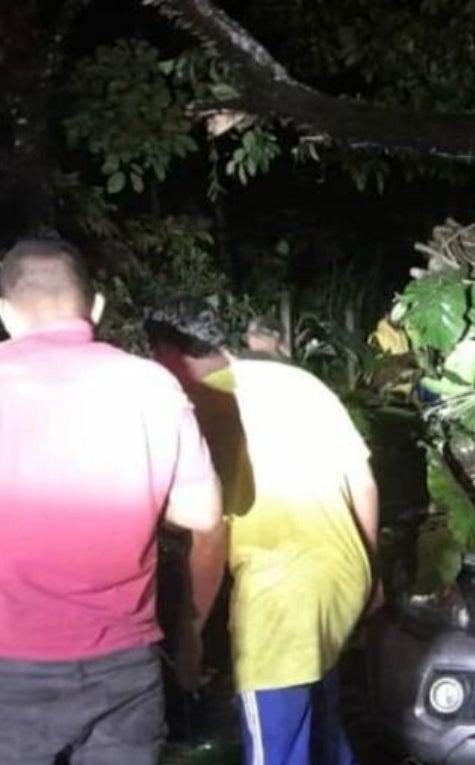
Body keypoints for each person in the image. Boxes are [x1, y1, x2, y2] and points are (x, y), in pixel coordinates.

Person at [0, 239, 223, 765]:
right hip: (123, 665)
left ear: (5, 313)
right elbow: (202, 513)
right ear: (96, 307)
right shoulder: (150, 385)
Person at [145, 299, 380, 765]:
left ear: (167, 352)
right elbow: (364, 484)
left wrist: (190, 633)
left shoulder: (204, 406)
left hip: (280, 598)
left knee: (275, 747)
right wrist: (373, 574)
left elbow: (210, 536)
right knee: (324, 730)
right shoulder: (299, 382)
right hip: (343, 578)